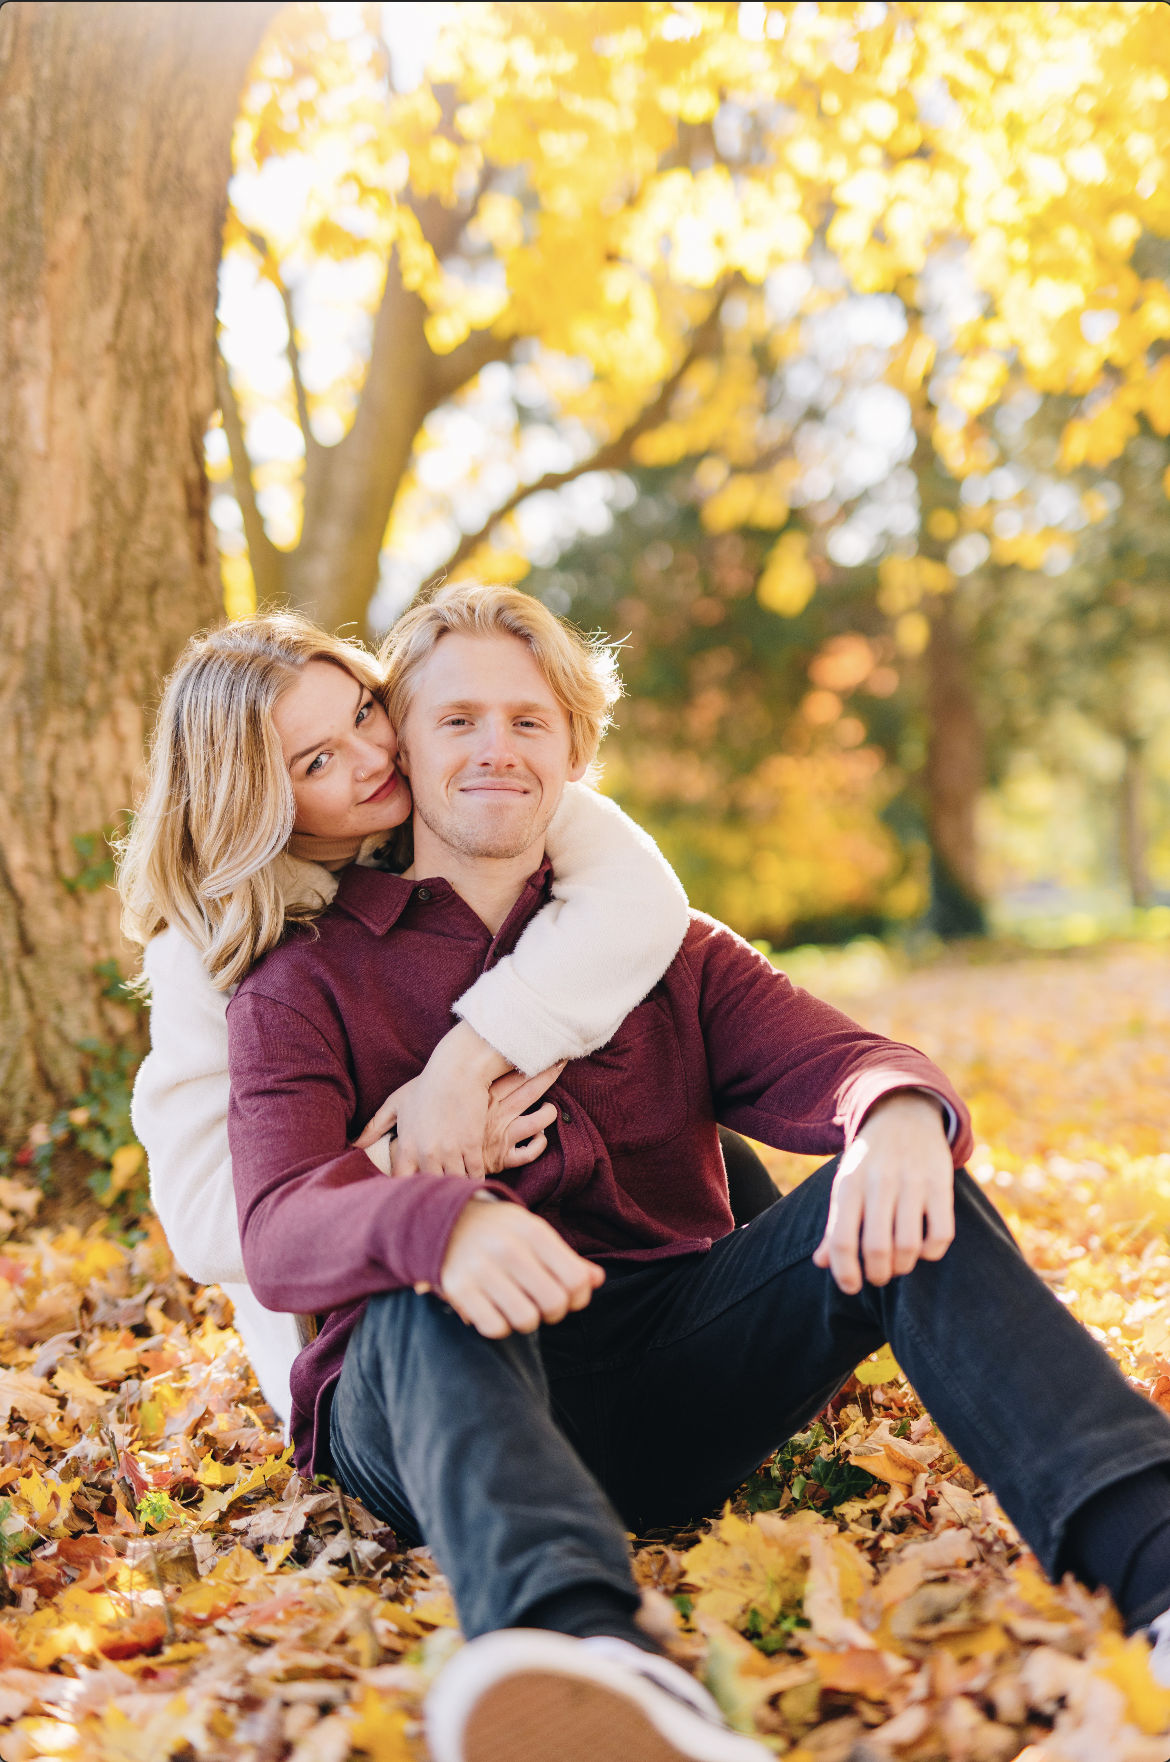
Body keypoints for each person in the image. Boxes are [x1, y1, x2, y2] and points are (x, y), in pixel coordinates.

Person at [225, 583, 1170, 1762]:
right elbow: (272, 1227)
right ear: (401, 749)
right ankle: (586, 1670)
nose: (496, 750)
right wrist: (439, 1223)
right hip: (426, 1408)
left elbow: (849, 1061)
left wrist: (899, 1117)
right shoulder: (300, 979)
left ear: (574, 746)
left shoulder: (668, 950)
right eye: (458, 719)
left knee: (916, 1187)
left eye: (529, 721)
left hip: (658, 1378)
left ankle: (1155, 1569)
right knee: (431, 1284)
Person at [123, 612, 775, 1426]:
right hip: (367, 1318)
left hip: (519, 1212)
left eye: (363, 712)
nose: (373, 758)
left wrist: (465, 1064)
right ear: (262, 799)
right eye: (319, 760)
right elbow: (208, 1222)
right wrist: (420, 1153)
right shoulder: (212, 953)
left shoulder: (433, 802)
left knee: (705, 1147)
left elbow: (638, 897)